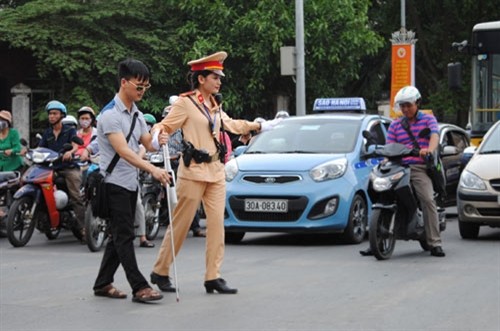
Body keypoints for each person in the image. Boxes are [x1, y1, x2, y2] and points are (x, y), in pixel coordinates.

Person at [151, 51, 276, 294]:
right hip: (194, 171)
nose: (219, 81)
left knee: (217, 224)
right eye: (215, 77)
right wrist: (157, 135)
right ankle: (161, 270)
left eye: (220, 77)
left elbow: (230, 125)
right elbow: (163, 125)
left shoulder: (215, 105)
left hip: (216, 171)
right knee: (181, 224)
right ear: (201, 79)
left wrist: (259, 126)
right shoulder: (185, 103)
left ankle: (213, 276)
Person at [92, 58, 169, 303]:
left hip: (130, 184)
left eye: (146, 87)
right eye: (139, 86)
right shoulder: (110, 115)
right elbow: (124, 151)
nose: (142, 91)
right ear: (124, 82)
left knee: (118, 235)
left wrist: (159, 138)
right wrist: (153, 170)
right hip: (113, 183)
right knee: (124, 235)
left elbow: (148, 143)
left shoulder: (137, 114)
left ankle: (103, 283)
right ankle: (140, 286)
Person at [360, 86, 445, 258]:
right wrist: (383, 158)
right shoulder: (396, 125)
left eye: (408, 105)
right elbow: (390, 146)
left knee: (428, 199)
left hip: (417, 167)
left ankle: (435, 242)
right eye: (402, 106)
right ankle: (375, 239)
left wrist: (428, 150)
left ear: (417, 103)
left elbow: (434, 136)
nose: (405, 109)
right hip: (397, 167)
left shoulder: (428, 120)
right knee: (377, 189)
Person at [39, 101, 86, 241]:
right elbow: (40, 148)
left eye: (55, 114)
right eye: (50, 114)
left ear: (61, 115)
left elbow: (76, 146)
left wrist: (70, 152)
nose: (52, 116)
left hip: (68, 167)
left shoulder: (69, 130)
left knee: (76, 197)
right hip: (51, 168)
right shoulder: (47, 132)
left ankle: (84, 228)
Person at [163, 102, 206, 237]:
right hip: (161, 163)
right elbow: (149, 146)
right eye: (166, 117)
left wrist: (180, 155)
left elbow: (190, 148)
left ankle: (195, 227)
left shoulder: (184, 132)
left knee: (185, 196)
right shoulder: (159, 131)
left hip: (177, 164)